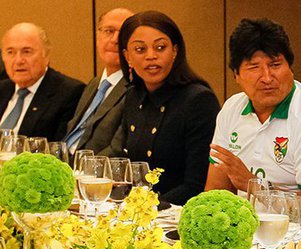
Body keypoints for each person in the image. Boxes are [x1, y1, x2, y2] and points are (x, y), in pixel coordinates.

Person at [109, 11, 219, 205]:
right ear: (127, 56)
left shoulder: (199, 100)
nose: (151, 56)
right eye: (140, 49)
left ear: (175, 51)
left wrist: (143, 209)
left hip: (176, 216)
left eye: (160, 47)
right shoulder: (133, 96)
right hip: (138, 214)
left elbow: (197, 185)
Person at [206, 18, 301, 194]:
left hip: (292, 222)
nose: (267, 78)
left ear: (290, 68)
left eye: (275, 65)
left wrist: (254, 186)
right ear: (236, 75)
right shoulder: (232, 109)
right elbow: (215, 191)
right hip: (242, 220)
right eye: (254, 67)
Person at [63, 8, 134, 155]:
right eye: (109, 31)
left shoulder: (136, 89)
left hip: (92, 173)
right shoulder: (94, 84)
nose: (115, 40)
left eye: (123, 34)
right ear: (97, 37)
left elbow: (117, 150)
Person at [0, 23, 85, 139]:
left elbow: (59, 149)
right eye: (10, 52)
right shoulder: (3, 89)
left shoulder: (69, 93)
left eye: (27, 51)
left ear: (46, 55)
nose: (18, 60)